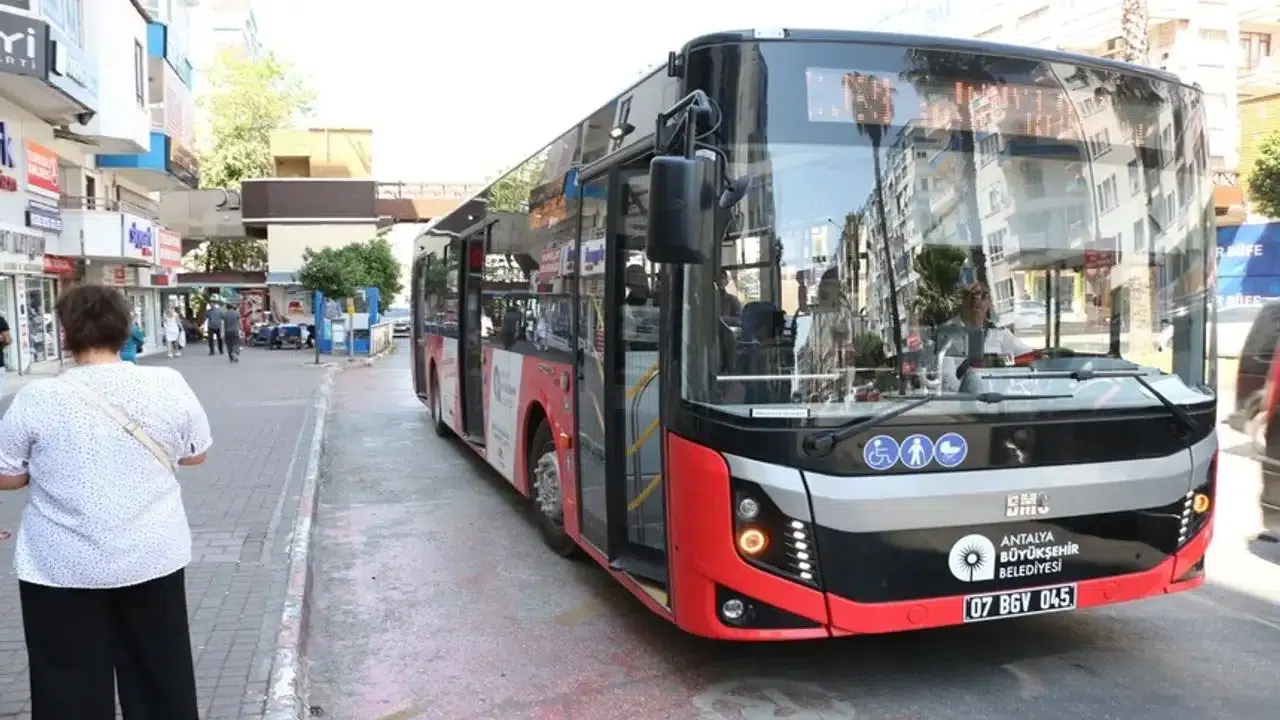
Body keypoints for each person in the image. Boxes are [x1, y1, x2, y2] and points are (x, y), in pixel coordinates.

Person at [0, 284, 211, 719]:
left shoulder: (37, 397)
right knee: (160, 672)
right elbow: (195, 454)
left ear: (65, 334)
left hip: (61, 566)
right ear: (126, 329)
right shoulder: (167, 384)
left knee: (67, 683)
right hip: (151, 556)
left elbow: (8, 475)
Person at [939, 282, 1034, 391]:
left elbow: (1028, 356)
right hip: (963, 398)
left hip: (995, 397)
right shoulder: (948, 332)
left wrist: (999, 362)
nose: (977, 299)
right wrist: (965, 396)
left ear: (989, 304)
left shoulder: (998, 333)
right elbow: (945, 376)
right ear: (962, 301)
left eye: (984, 295)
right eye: (972, 295)